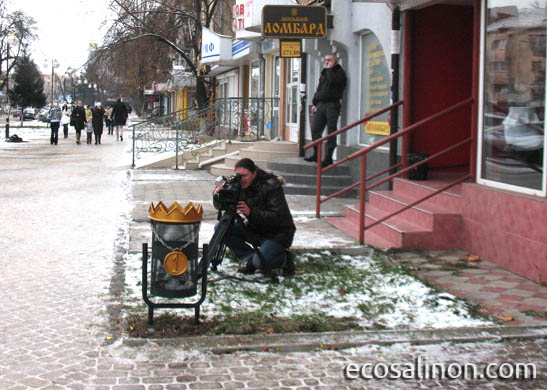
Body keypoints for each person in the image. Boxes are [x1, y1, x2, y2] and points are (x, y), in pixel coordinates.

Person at [213, 158, 296, 276]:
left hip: (277, 233)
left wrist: (251, 212)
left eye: (245, 175)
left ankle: (284, 259)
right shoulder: (238, 183)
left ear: (254, 173)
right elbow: (222, 206)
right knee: (221, 228)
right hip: (255, 228)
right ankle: (251, 258)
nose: (241, 179)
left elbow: (277, 217)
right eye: (239, 175)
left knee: (261, 263)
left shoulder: (271, 185)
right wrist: (218, 195)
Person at [304, 53, 347, 166]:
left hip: (332, 104)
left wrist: (330, 69)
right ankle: (316, 154)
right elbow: (320, 88)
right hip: (321, 105)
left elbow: (332, 82)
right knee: (315, 129)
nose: (327, 62)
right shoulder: (325, 72)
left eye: (330, 60)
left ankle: (328, 157)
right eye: (326, 60)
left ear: (335, 61)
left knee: (331, 131)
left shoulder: (339, 73)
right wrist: (315, 103)